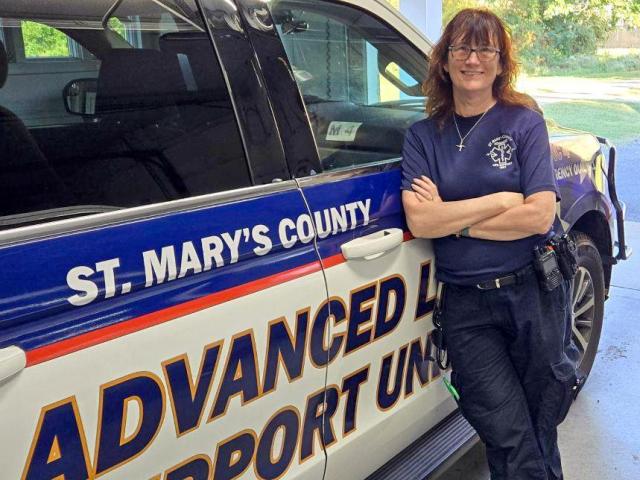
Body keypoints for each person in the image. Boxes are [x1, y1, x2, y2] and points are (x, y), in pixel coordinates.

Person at [401, 8, 579, 480]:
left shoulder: (523, 123)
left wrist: (453, 221)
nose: (473, 59)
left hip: (534, 293)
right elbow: (421, 218)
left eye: (485, 49)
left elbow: (539, 215)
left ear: (501, 64)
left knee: (539, 425)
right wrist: (499, 200)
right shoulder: (423, 136)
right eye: (462, 47)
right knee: (506, 430)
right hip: (466, 308)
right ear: (444, 60)